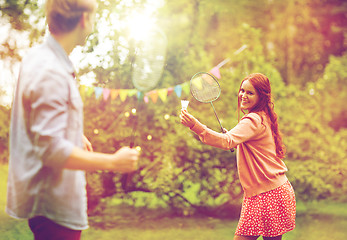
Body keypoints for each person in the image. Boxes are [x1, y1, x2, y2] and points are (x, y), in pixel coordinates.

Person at [6, 0, 139, 239]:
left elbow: (39, 120)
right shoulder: (50, 70)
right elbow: (52, 151)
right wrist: (113, 162)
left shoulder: (41, 58)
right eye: (93, 18)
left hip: (47, 205)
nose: (93, 25)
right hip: (54, 208)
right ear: (83, 20)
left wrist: (72, 132)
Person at [180, 73, 295, 240]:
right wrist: (233, 138)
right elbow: (236, 140)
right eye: (242, 90)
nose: (243, 95)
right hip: (277, 190)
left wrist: (195, 126)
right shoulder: (263, 116)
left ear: (261, 96)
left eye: (250, 93)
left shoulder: (252, 120)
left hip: (266, 195)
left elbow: (227, 141)